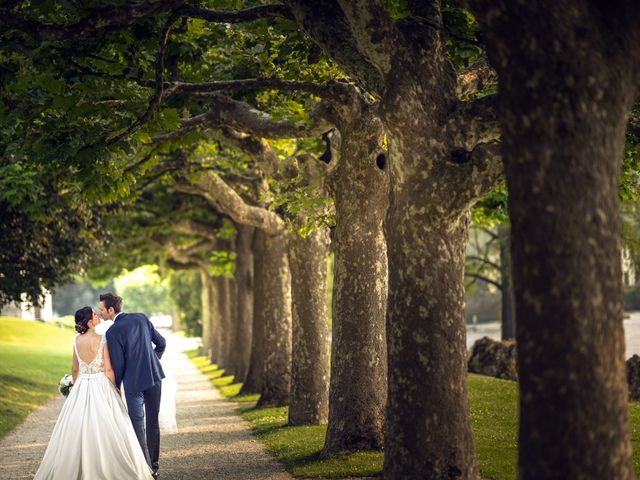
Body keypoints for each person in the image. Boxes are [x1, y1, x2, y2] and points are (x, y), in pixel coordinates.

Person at [34, 307, 154, 480]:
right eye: (94, 314)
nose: (97, 315)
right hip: (101, 384)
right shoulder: (102, 339)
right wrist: (116, 389)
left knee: (78, 426)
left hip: (82, 384)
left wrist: (75, 388)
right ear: (89, 321)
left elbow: (75, 369)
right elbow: (109, 369)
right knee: (111, 424)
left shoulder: (76, 341)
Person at [100, 293, 166, 479]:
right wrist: (153, 360)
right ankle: (154, 465)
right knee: (153, 422)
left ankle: (145, 469)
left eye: (102, 310)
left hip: (133, 383)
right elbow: (161, 343)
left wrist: (117, 386)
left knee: (138, 425)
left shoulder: (112, 332)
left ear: (111, 310)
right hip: (154, 377)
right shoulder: (142, 318)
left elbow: (118, 365)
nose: (100, 313)